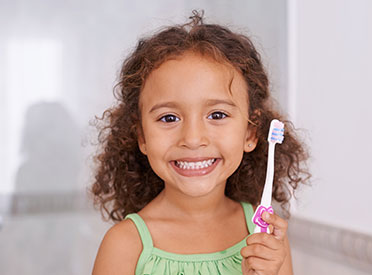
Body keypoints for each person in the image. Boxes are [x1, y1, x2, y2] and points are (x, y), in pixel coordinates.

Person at [91, 10, 309, 275]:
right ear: (142, 136)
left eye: (217, 115)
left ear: (251, 133)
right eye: (168, 117)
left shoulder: (267, 239)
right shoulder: (125, 245)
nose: (193, 139)